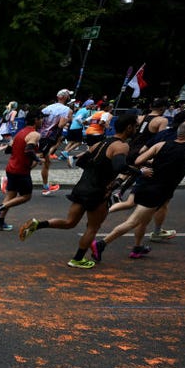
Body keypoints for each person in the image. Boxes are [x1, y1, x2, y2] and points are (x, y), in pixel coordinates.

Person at [19, 113, 139, 269]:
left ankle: (38, 224)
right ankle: (77, 259)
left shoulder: (101, 143)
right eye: (135, 126)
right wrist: (139, 172)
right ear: (129, 127)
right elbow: (120, 167)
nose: (136, 129)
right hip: (98, 191)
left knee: (70, 222)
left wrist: (93, 170)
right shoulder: (122, 146)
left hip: (83, 186)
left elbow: (81, 160)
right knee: (93, 228)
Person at [91, 120, 185, 262]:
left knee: (144, 221)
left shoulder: (161, 144)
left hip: (145, 184)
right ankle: (101, 244)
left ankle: (137, 248)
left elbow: (138, 160)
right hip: (157, 191)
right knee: (133, 221)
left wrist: (149, 165)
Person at [0, 108, 43, 231]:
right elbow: (28, 150)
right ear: (36, 120)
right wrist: (38, 160)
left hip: (11, 168)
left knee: (10, 195)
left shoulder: (20, 132)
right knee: (26, 196)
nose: (42, 121)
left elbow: (8, 149)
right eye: (41, 118)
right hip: (21, 171)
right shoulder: (34, 134)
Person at [38, 88, 73, 195]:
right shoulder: (65, 109)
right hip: (48, 137)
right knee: (35, 160)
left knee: (47, 162)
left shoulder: (48, 108)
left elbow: (39, 121)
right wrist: (69, 119)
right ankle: (10, 179)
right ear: (65, 97)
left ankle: (45, 187)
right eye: (68, 96)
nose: (69, 97)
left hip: (40, 135)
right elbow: (61, 125)